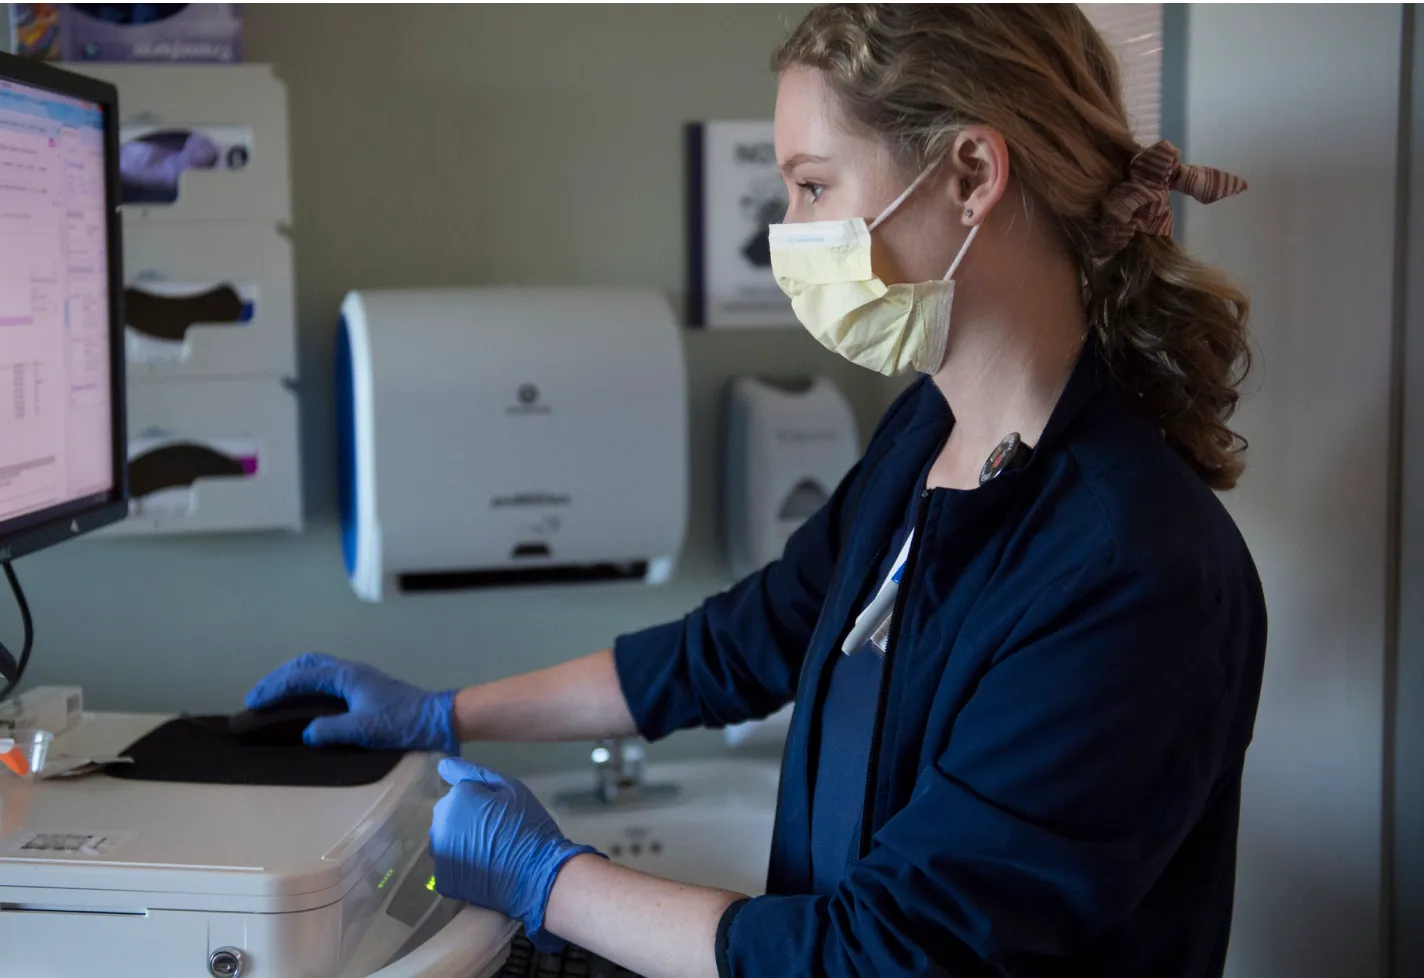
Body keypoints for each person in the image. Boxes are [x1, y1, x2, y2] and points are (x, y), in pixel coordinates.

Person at [245, 6, 1267, 976]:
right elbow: (745, 641)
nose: (787, 232)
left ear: (969, 172)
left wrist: (547, 880)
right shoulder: (925, 436)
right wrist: (442, 714)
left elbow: (891, 954)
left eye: (812, 187)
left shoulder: (1126, 569)